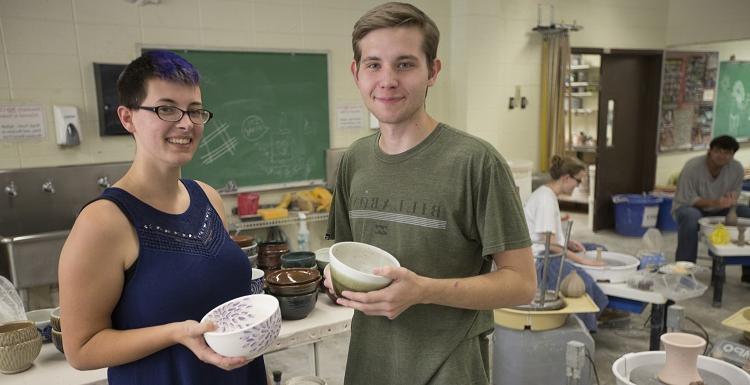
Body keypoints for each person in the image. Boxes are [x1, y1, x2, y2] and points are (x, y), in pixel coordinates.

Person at [322, 3, 537, 384]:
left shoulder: (477, 163)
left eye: (404, 64)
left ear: (432, 71)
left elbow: (521, 283)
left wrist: (422, 291)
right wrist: (334, 281)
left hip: (447, 367)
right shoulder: (353, 160)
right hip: (368, 365)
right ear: (356, 73)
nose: (387, 80)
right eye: (374, 65)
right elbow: (349, 259)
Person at [58, 51, 268, 384]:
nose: (185, 123)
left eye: (195, 110)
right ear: (128, 118)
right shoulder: (104, 222)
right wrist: (175, 333)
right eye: (166, 108)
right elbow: (81, 349)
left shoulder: (208, 198)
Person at [523, 155, 609, 331]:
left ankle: (598, 312)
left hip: (550, 249)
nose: (578, 186)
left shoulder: (548, 194)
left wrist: (568, 242)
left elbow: (549, 237)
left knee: (599, 249)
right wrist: (585, 262)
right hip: (542, 260)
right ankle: (585, 329)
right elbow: (551, 246)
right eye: (578, 181)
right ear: (566, 178)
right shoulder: (546, 199)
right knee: (584, 284)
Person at [673, 135, 750, 283]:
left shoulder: (736, 169)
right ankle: (685, 271)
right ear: (710, 151)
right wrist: (716, 202)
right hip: (690, 207)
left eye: (727, 153)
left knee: (746, 213)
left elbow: (734, 196)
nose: (722, 156)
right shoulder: (692, 167)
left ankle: (748, 269)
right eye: (718, 151)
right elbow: (687, 199)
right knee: (690, 217)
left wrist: (730, 205)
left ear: (733, 155)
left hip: (721, 208)